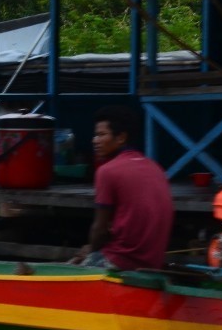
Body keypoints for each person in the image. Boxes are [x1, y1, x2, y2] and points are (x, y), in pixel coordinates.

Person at [71, 105, 174, 271]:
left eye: (101, 135)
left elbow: (100, 229)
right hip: (152, 262)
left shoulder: (107, 171)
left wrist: (91, 250)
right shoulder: (155, 167)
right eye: (95, 135)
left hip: (122, 260)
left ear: (121, 138)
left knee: (73, 267)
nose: (94, 141)